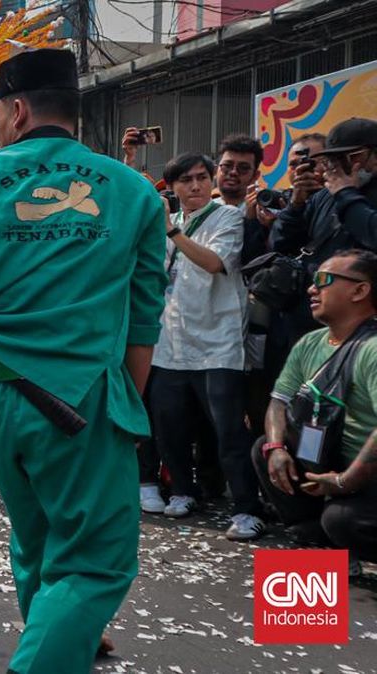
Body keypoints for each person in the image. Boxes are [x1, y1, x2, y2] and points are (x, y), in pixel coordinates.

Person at [0, 49, 167, 672]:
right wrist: (124, 401)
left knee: (36, 533)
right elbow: (145, 314)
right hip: (82, 391)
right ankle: (55, 643)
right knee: (96, 558)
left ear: (16, 111)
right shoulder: (134, 191)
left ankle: (64, 632)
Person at [147, 152, 263, 540]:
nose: (194, 186)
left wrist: (171, 233)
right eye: (185, 180)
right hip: (170, 343)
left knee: (228, 430)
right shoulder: (172, 222)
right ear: (173, 187)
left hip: (218, 341)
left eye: (201, 178)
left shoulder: (227, 216)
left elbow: (214, 263)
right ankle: (183, 489)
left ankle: (247, 508)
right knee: (170, 425)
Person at [256, 250, 377, 575]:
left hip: (366, 475)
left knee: (342, 520)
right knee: (263, 448)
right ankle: (319, 536)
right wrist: (277, 448)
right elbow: (279, 401)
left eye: (323, 280)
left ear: (360, 290)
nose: (311, 289)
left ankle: (336, 531)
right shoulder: (311, 342)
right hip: (329, 459)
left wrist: (345, 481)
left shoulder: (373, 349)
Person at [272, 118, 377, 341]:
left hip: (365, 320)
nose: (341, 166)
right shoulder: (323, 196)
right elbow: (280, 244)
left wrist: (346, 194)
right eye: (333, 159)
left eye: (352, 157)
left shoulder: (343, 192)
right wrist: (296, 206)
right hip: (313, 318)